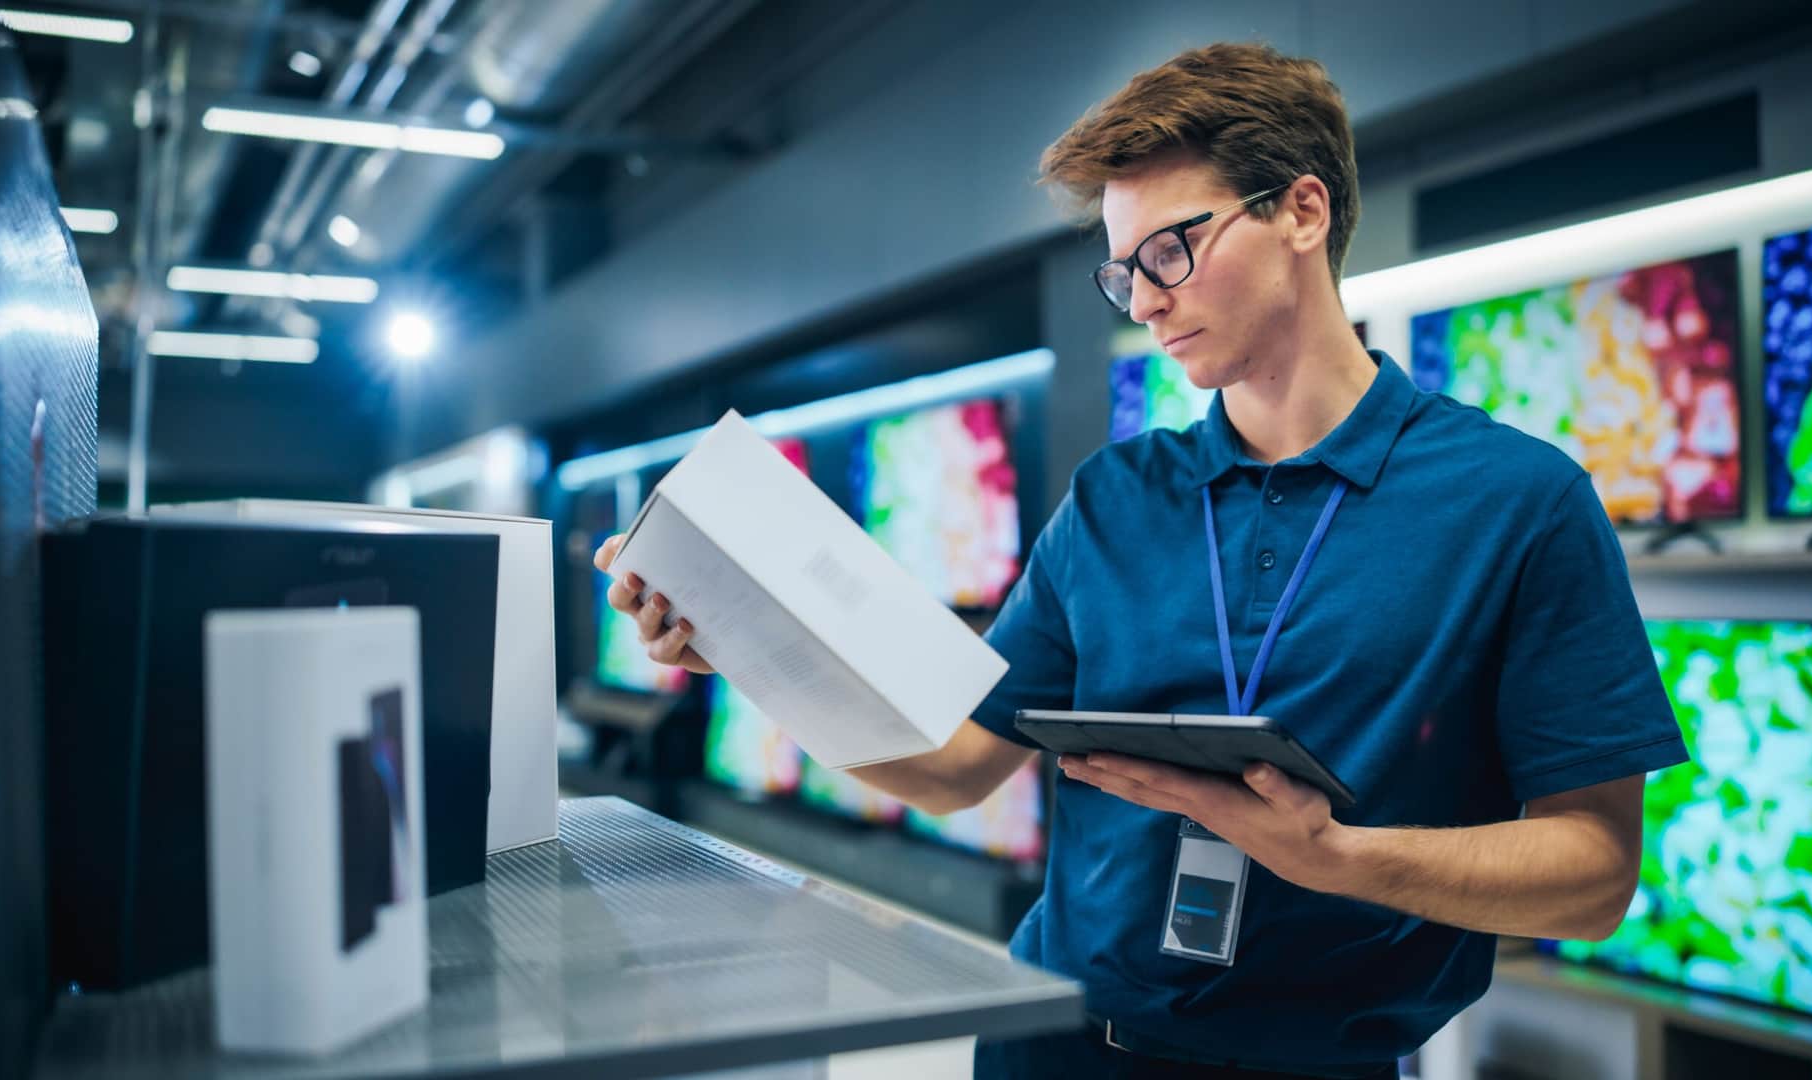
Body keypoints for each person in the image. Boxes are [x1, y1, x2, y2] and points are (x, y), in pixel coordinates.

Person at [594, 41, 1687, 1080]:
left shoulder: (1517, 501)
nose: (1149, 298)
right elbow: (950, 767)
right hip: (1050, 1043)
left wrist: (1341, 858)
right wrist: (741, 646)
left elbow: (1592, 873)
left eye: (1172, 249)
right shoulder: (1114, 499)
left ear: (1302, 210)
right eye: (1124, 274)